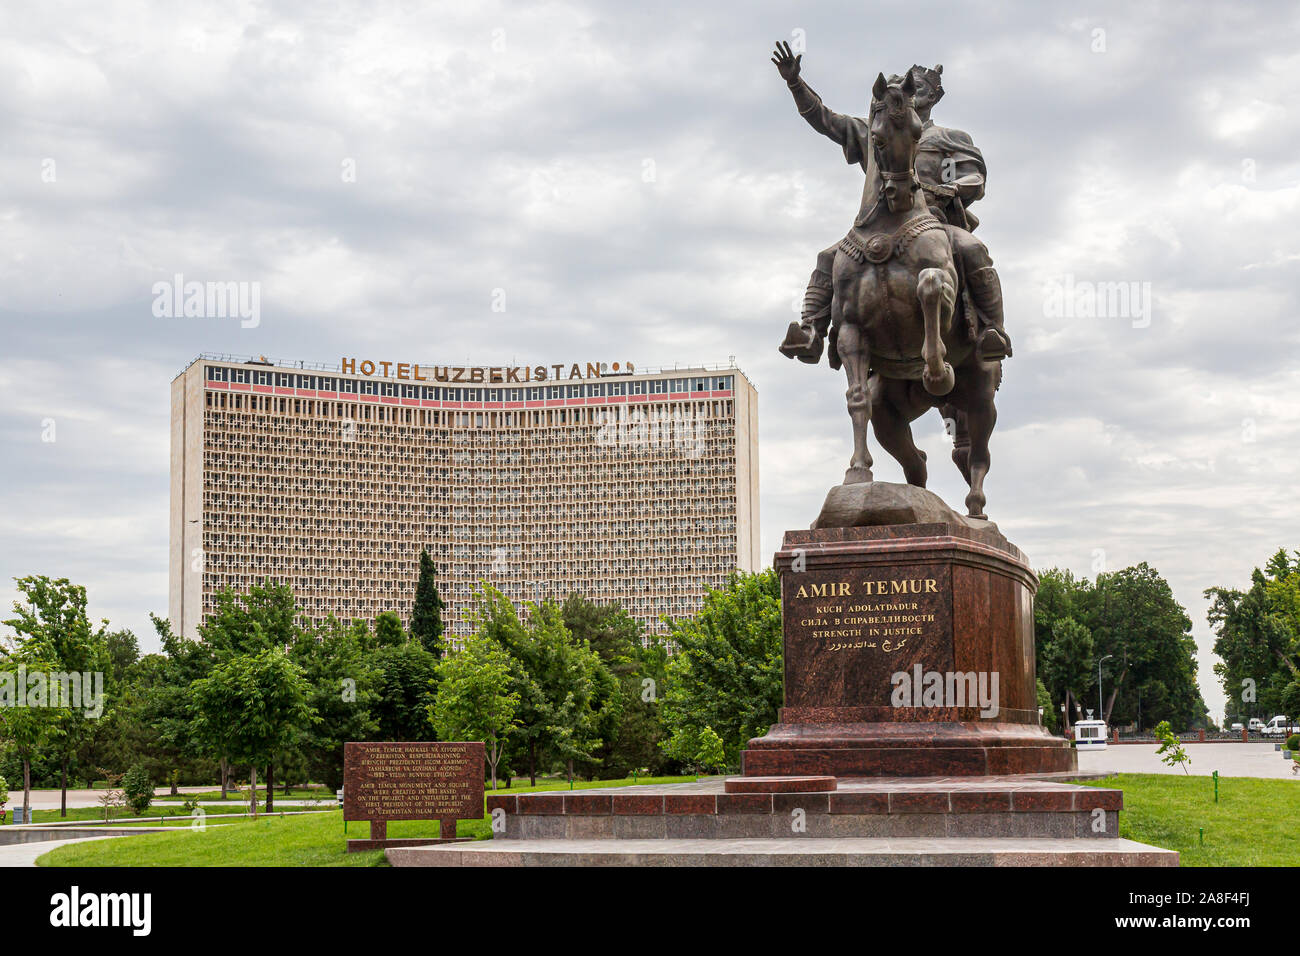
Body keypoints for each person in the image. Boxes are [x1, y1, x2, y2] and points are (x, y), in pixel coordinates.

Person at [772, 45, 1012, 365]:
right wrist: (795, 83)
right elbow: (825, 119)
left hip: (932, 221)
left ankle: (991, 331)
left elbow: (975, 179)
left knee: (972, 248)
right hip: (878, 224)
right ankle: (812, 332)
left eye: (923, 88)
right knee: (827, 257)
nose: (915, 91)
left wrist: (947, 189)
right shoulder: (874, 132)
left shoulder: (950, 137)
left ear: (934, 97)